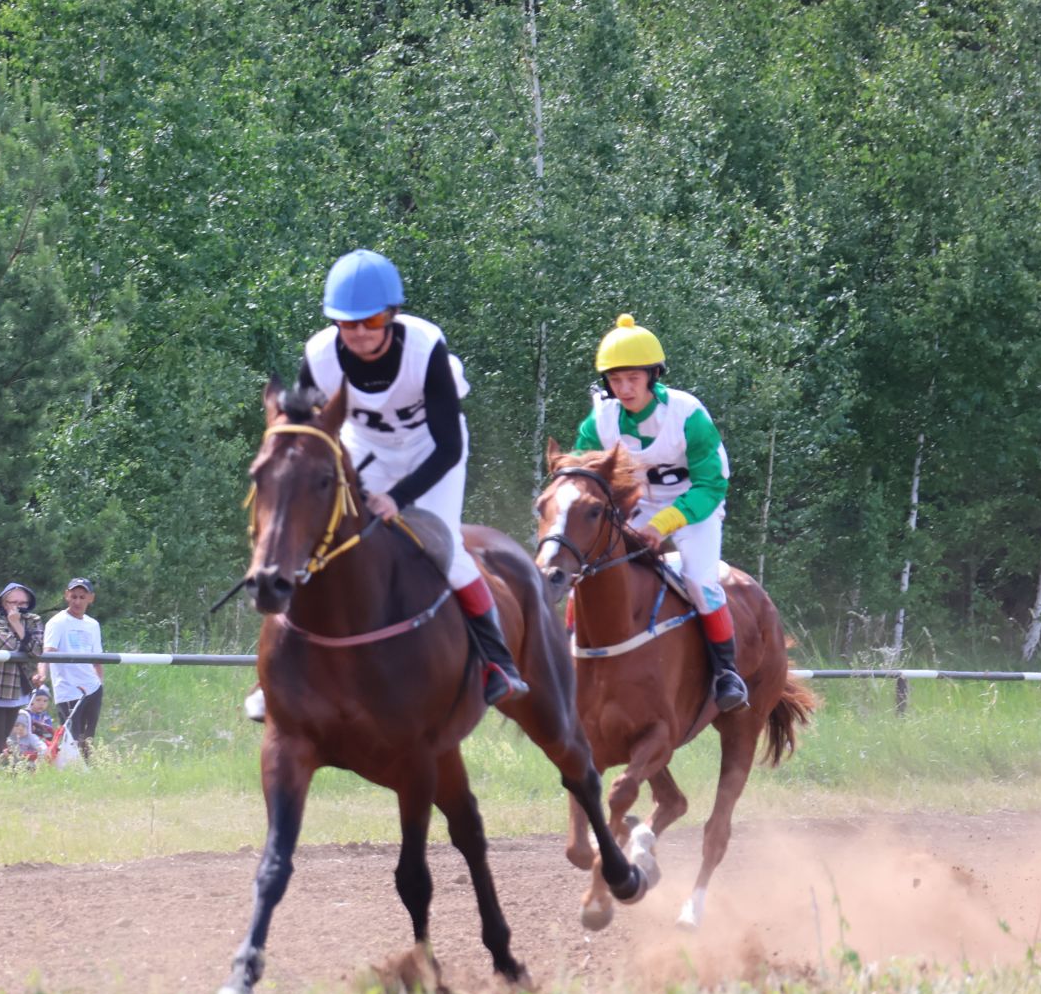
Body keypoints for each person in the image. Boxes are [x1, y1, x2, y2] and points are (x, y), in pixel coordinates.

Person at [293, 248, 528, 705]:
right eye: (348, 323)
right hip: (366, 448)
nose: (360, 334)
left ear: (393, 316)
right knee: (315, 538)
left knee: (446, 548)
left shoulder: (423, 347)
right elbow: (304, 432)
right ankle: (283, 667)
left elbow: (449, 448)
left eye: (373, 321)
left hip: (430, 451)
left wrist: (397, 498)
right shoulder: (320, 356)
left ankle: (498, 661)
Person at [573, 314, 747, 711]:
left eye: (633, 378)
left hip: (692, 506)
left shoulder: (687, 413)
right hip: (636, 506)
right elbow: (584, 478)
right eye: (616, 380)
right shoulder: (600, 420)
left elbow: (712, 484)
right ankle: (570, 656)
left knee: (701, 584)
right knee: (585, 571)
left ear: (653, 375)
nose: (625, 388)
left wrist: (663, 523)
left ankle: (726, 672)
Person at [0, 582, 44, 760]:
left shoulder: (33, 620)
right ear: (3, 602)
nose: (17, 607)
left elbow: (37, 651)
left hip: (19, 688)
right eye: (12, 603)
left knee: (3, 739)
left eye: (22, 604)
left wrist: (17, 625)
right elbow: (9, 647)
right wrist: (24, 643)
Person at [43, 578, 106, 761]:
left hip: (92, 687)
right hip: (68, 689)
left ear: (90, 598)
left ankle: (87, 768)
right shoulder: (57, 622)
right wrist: (41, 673)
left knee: (88, 736)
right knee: (72, 735)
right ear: (66, 596)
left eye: (82, 597)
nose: (77, 601)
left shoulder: (92, 625)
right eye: (74, 596)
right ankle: (71, 769)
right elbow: (47, 652)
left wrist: (100, 683)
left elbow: (97, 658)